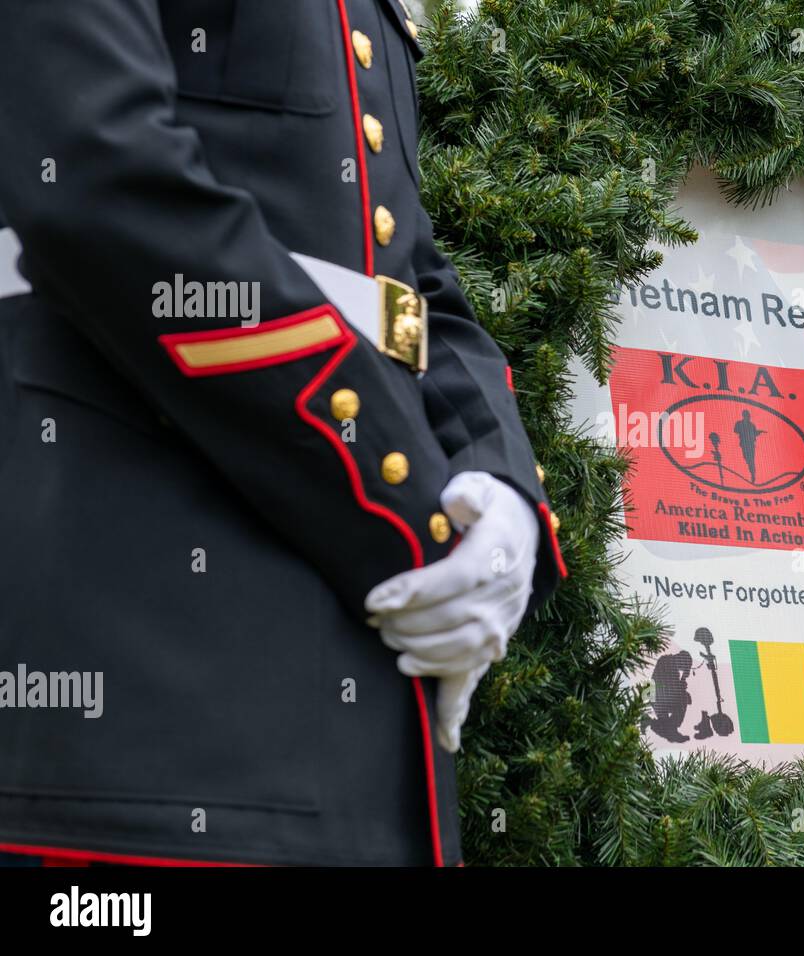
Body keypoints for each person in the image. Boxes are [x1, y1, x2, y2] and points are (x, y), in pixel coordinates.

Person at [0, 0, 564, 867]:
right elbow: (98, 177)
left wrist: (503, 492)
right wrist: (409, 513)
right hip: (147, 694)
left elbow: (408, 292)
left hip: (366, 746)